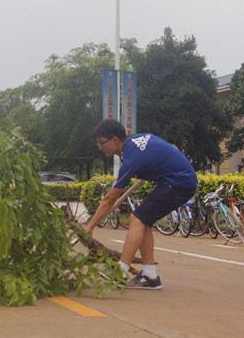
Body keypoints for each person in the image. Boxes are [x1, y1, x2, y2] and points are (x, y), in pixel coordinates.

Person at [83, 119, 197, 290]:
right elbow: (171, 148)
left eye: (101, 143)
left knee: (136, 219)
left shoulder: (131, 160)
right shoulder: (138, 141)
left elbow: (109, 200)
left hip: (179, 183)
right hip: (176, 181)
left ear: (115, 140)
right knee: (144, 222)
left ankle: (120, 272)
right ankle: (150, 275)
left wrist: (90, 226)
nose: (99, 147)